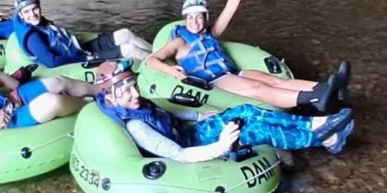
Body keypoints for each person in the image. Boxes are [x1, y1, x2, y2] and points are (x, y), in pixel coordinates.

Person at [144, 0, 349, 113]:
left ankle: (329, 88)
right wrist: (170, 70)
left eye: (199, 17)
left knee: (276, 81)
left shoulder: (211, 33)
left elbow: (231, 6)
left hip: (233, 72)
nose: (195, 21)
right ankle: (315, 99)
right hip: (215, 81)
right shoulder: (179, 42)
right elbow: (151, 60)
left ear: (205, 18)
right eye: (190, 18)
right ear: (184, 19)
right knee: (258, 88)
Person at [95, 60, 355, 159]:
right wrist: (220, 147)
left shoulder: (137, 106)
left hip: (193, 131)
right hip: (195, 146)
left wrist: (198, 114)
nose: (135, 92)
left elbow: (168, 115)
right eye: (126, 90)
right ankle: (323, 136)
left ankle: (315, 125)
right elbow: (179, 155)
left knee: (245, 109)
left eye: (133, 85)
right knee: (255, 129)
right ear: (111, 98)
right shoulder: (137, 126)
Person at [9, 0, 152, 68]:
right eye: (26, 12)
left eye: (34, 9)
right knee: (129, 49)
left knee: (125, 34)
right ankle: (159, 66)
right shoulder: (33, 37)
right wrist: (84, 57)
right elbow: (51, 62)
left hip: (80, 48)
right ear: (20, 15)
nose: (32, 14)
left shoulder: (39, 22)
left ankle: (159, 53)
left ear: (39, 7)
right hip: (78, 58)